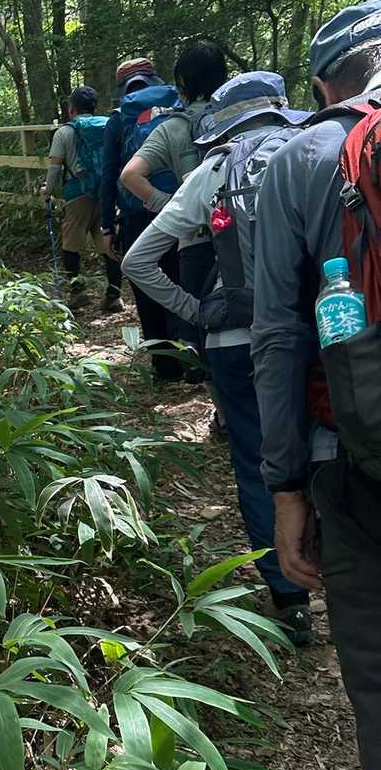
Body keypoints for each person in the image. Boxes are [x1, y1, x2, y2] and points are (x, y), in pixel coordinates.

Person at [252, 0, 381, 770]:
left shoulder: (301, 159)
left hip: (357, 457)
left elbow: (278, 335)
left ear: (325, 85)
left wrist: (286, 487)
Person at [121, 71, 312, 643]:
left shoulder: (214, 172)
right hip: (321, 334)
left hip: (238, 343)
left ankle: (291, 598)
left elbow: (137, 261)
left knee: (258, 461)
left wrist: (199, 312)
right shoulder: (319, 152)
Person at [119, 40, 229, 337]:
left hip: (195, 242)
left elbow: (130, 175)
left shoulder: (172, 127)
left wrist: (172, 205)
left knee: (206, 333)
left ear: (182, 86)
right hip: (245, 235)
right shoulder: (239, 119)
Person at [100, 57, 185, 380]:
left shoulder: (119, 118)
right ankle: (191, 358)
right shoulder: (176, 106)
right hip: (181, 209)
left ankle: (164, 366)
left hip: (138, 213)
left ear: (122, 87)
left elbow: (110, 175)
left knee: (148, 288)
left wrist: (107, 225)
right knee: (182, 282)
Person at [42, 85, 124, 312]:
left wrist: (48, 190)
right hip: (107, 193)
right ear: (95, 106)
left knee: (71, 245)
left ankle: (78, 293)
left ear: (71, 109)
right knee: (108, 241)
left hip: (77, 194)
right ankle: (114, 295)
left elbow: (55, 167)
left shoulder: (64, 132)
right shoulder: (108, 124)